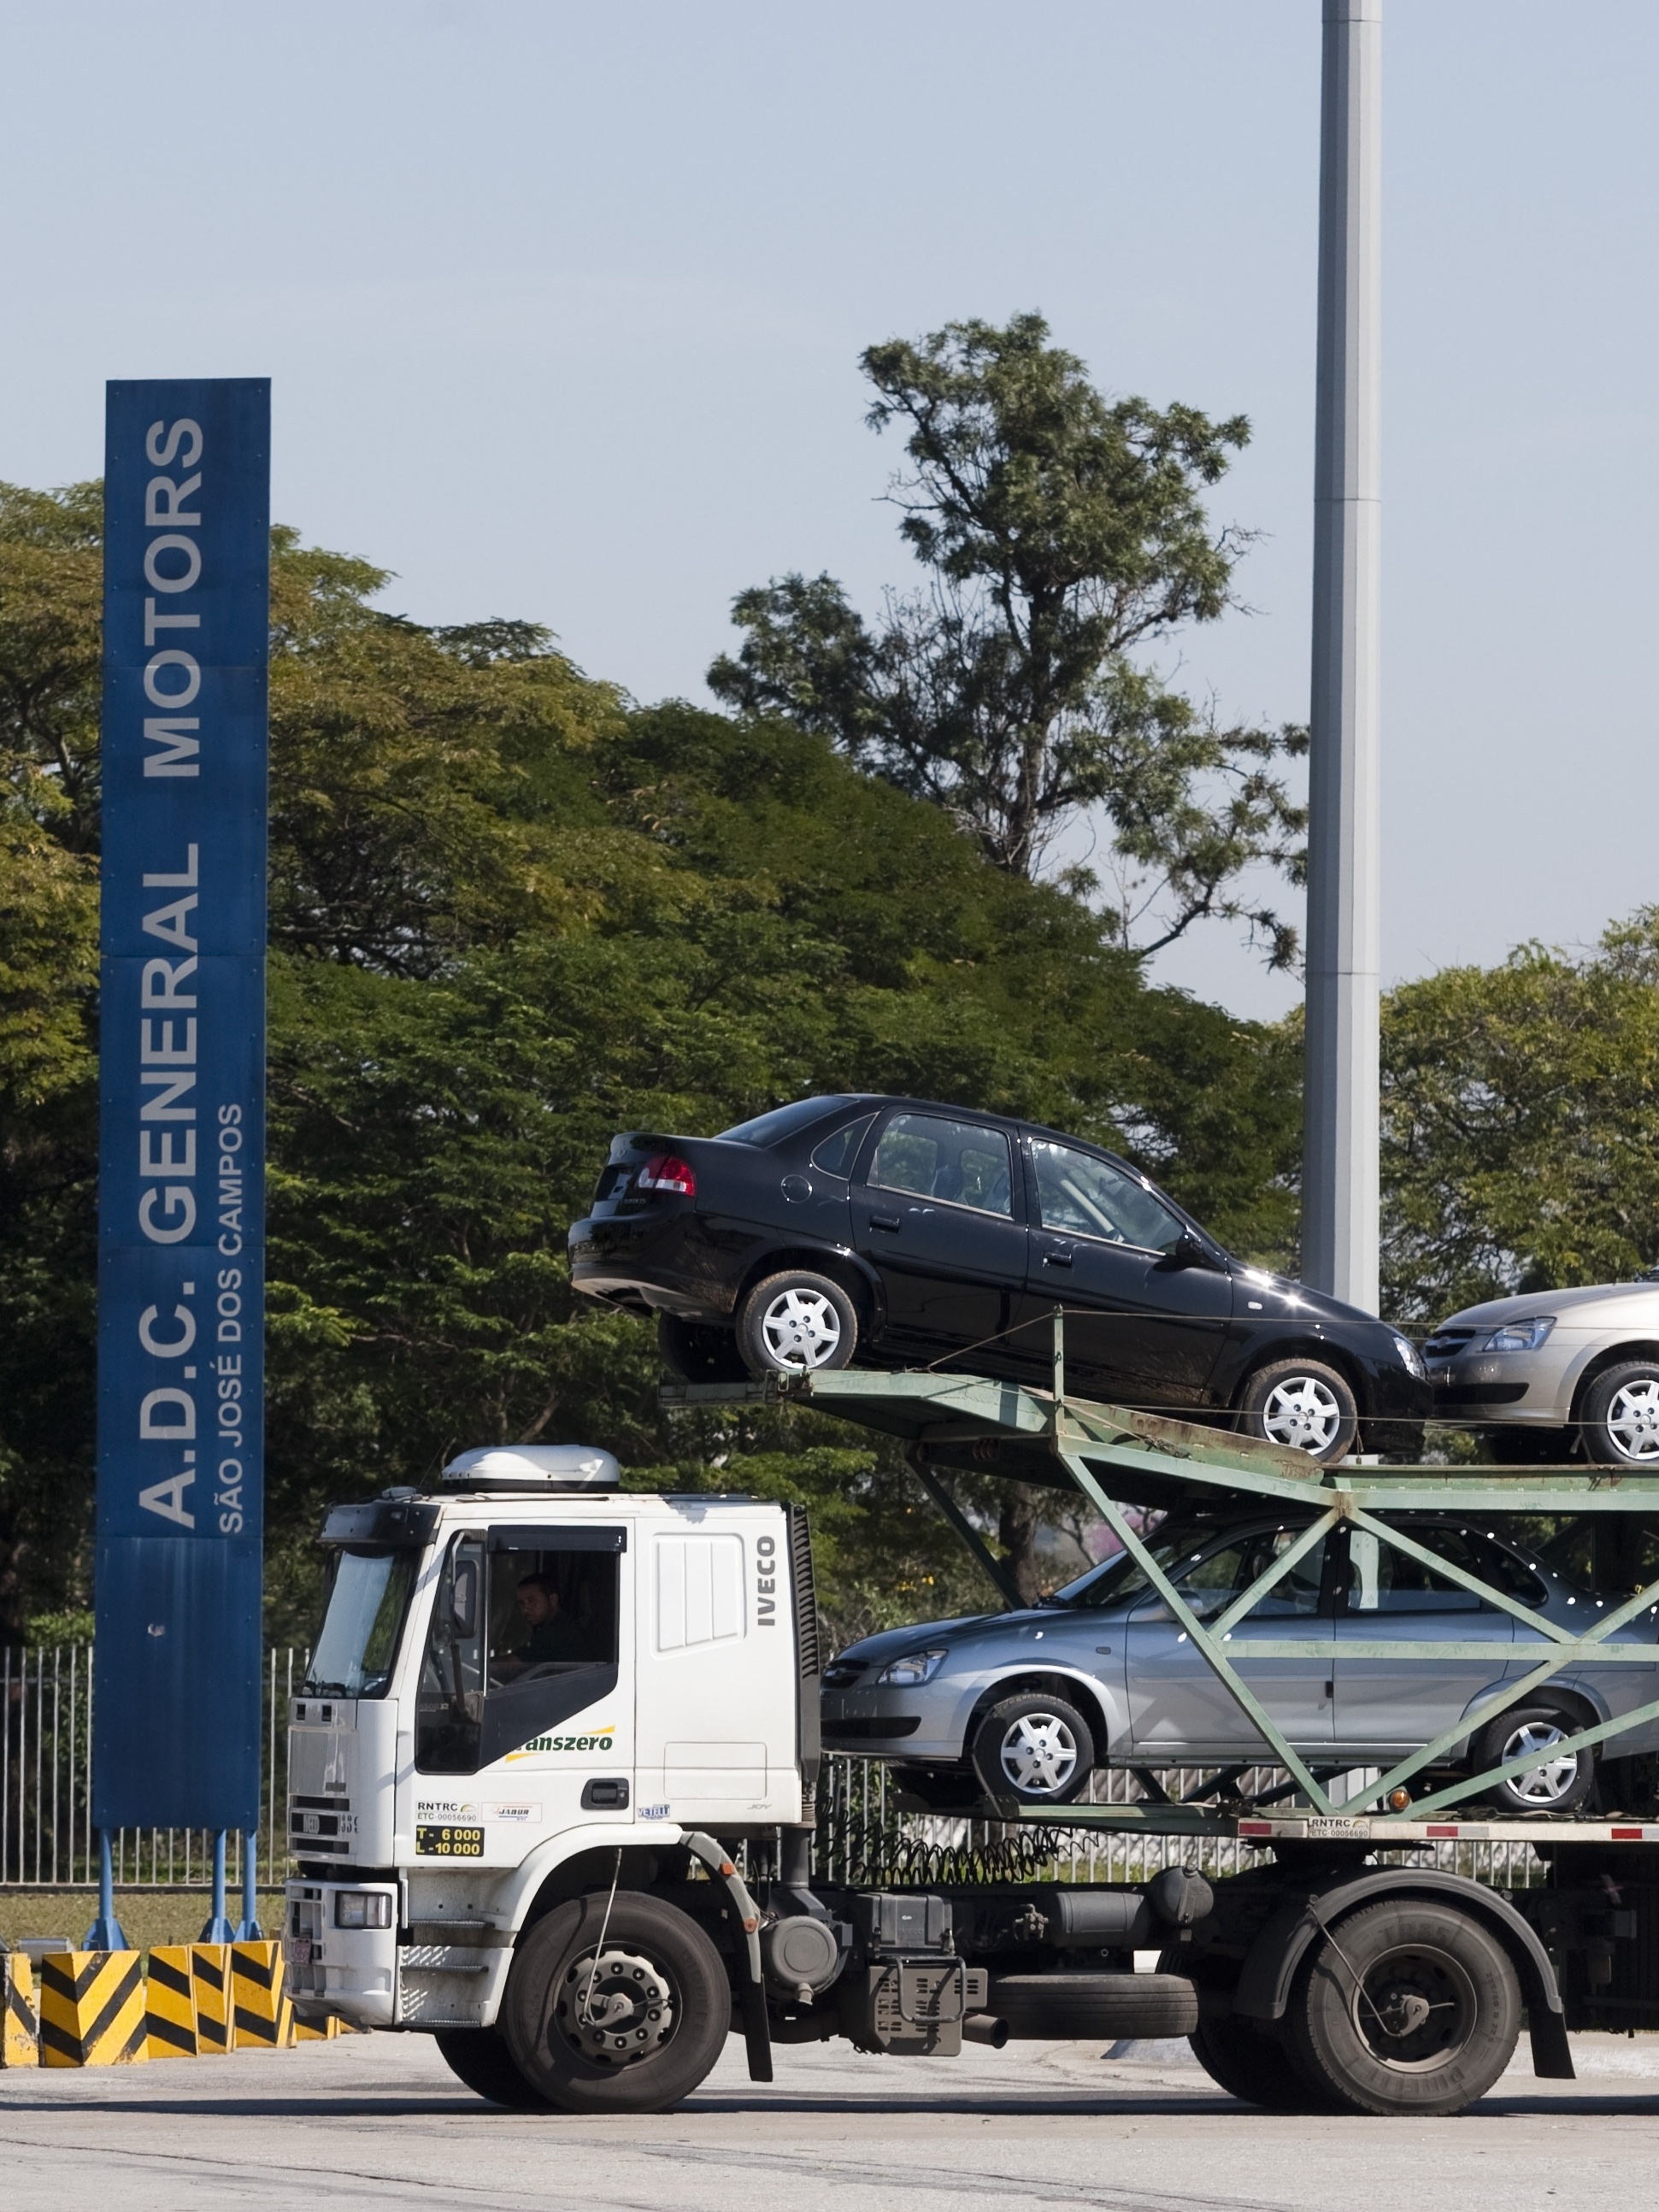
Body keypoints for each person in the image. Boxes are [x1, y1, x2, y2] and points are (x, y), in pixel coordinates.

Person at [495, 1571, 585, 1680]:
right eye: (522, 1603)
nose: (525, 1609)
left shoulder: (556, 1633)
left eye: (532, 1601)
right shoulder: (556, 1626)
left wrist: (474, 1666)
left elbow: (508, 1665)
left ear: (553, 1600)